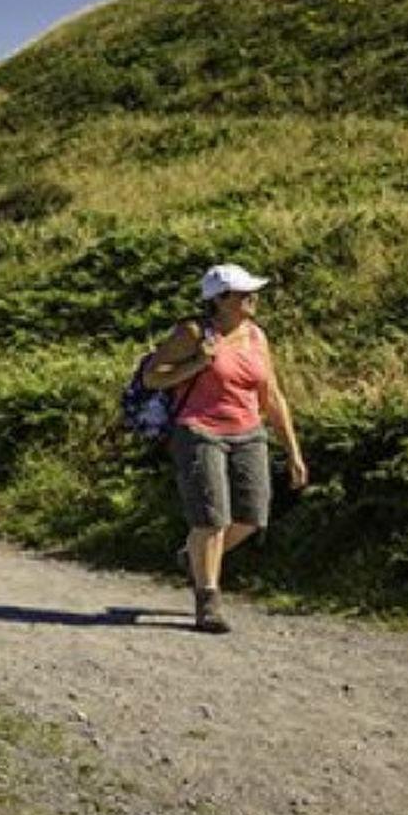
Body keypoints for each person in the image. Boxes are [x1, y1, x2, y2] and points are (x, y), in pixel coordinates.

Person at [142, 263, 309, 634]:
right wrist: (198, 362)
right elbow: (153, 377)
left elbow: (272, 395)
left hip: (248, 432)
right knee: (210, 520)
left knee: (252, 518)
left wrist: (293, 452)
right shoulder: (192, 332)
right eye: (243, 292)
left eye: (253, 290)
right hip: (199, 431)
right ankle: (208, 601)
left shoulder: (256, 336)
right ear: (219, 300)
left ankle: (193, 556)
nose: (253, 297)